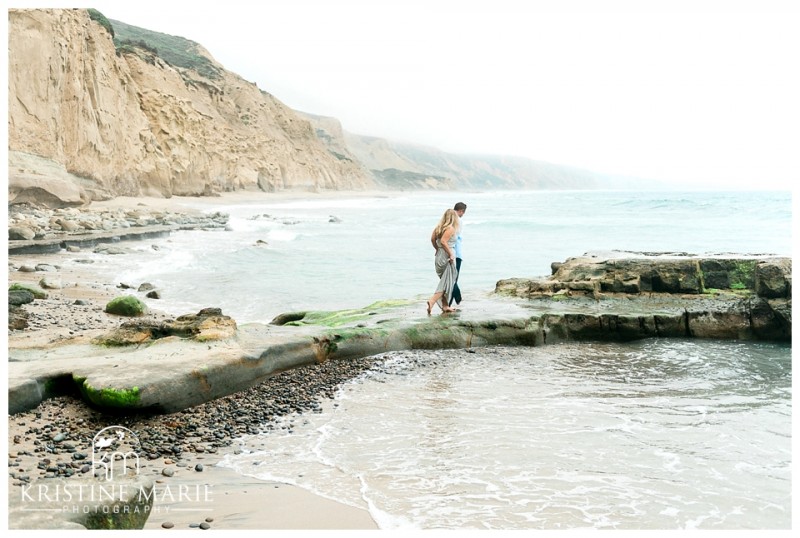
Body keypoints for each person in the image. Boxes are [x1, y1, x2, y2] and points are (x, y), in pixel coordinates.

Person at [426, 208, 459, 315]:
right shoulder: (450, 228)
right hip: (446, 256)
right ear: (454, 218)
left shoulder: (438, 228)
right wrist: (450, 254)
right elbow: (444, 241)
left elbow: (432, 239)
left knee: (445, 282)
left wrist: (437, 249)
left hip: (439, 256)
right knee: (447, 282)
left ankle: (445, 306)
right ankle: (432, 301)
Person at [449, 202, 467, 307]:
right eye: (463, 212)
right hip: (456, 253)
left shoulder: (448, 220)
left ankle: (450, 303)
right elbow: (455, 237)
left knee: (451, 279)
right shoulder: (458, 221)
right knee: (454, 279)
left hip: (450, 252)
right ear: (461, 211)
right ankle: (454, 300)